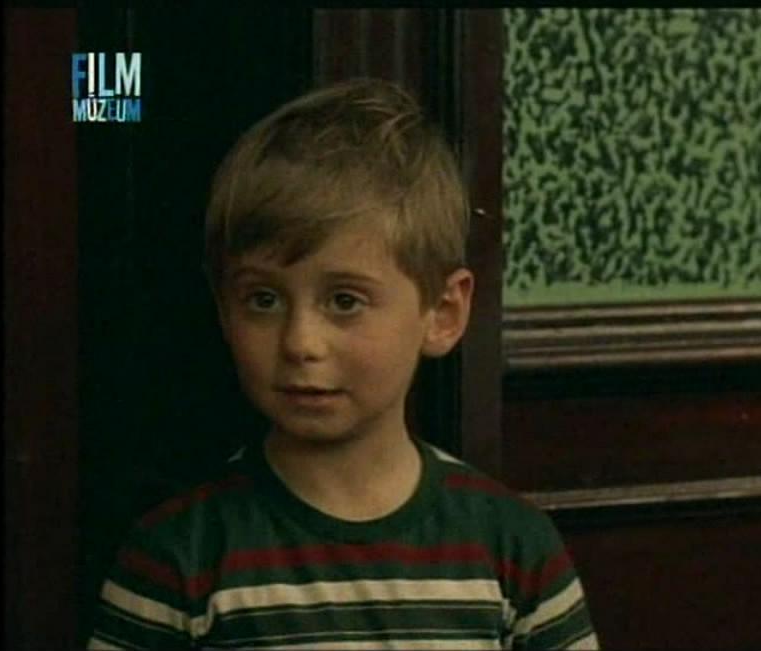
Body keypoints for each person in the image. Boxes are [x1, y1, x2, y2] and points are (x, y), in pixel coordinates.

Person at [87, 77, 599, 650]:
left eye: (345, 301)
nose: (300, 342)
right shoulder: (178, 558)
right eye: (264, 299)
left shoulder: (513, 550)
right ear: (223, 308)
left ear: (443, 313)